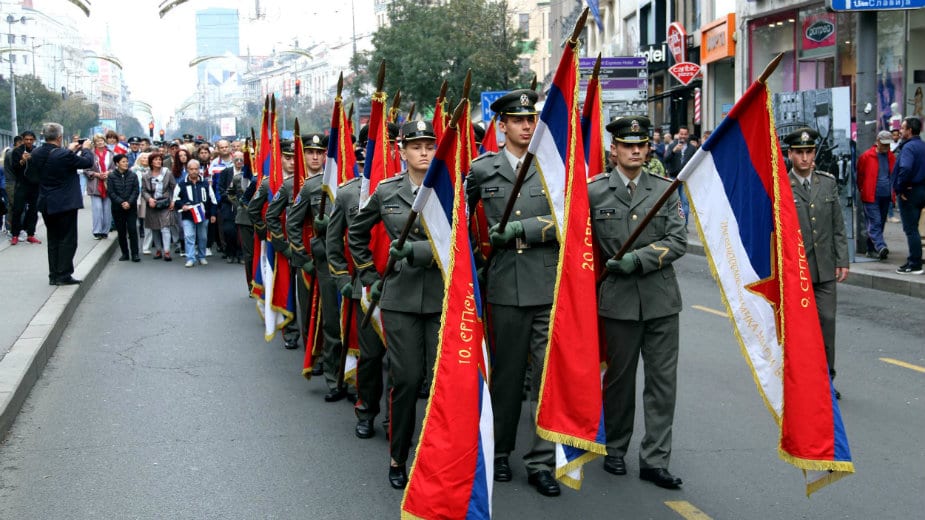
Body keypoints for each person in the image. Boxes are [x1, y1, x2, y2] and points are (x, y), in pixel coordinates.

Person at [465, 89, 560, 498]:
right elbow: (458, 221)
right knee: (505, 378)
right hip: (503, 283)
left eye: (531, 119)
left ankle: (540, 461)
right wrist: (472, 266)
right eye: (518, 120)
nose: (527, 125)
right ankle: (501, 449)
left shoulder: (550, 168)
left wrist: (525, 229)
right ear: (500, 125)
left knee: (543, 377)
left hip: (544, 282)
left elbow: (569, 221)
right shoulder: (482, 170)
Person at [588, 116, 687, 489]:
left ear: (647, 149)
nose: (635, 150)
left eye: (641, 145)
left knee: (662, 384)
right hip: (617, 302)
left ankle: (655, 459)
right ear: (613, 149)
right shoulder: (594, 191)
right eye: (627, 145)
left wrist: (638, 259)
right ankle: (615, 449)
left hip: (661, 301)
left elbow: (678, 240)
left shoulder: (665, 189)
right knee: (619, 381)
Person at [349, 120, 443, 490]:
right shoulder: (387, 191)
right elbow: (357, 232)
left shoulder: (448, 191)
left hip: (440, 298)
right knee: (405, 380)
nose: (423, 152)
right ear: (401, 151)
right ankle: (398, 456)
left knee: (438, 382)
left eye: (429, 145)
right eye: (416, 146)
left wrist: (417, 250)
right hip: (400, 298)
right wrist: (369, 274)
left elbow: (457, 241)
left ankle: (435, 456)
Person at [785, 127, 849, 398]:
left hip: (824, 267)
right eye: (799, 152)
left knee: (827, 321)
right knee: (799, 328)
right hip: (795, 270)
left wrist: (842, 259)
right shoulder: (782, 187)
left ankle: (826, 378)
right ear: (790, 155)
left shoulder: (828, 182)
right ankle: (800, 378)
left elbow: (837, 224)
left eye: (809, 152)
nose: (804, 158)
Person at [326, 171, 388, 438]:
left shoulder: (413, 186)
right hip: (365, 287)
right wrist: (341, 279)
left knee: (402, 365)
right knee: (370, 357)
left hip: (401, 286)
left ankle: (395, 422)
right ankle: (366, 412)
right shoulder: (349, 192)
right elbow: (334, 240)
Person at [287, 133, 348, 400]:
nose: (315, 156)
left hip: (354, 263)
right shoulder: (311, 187)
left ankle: (353, 376)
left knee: (356, 325)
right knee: (332, 323)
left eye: (320, 152)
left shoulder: (349, 185)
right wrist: (304, 259)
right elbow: (293, 224)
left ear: (327, 155)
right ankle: (335, 380)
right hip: (325, 264)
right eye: (310, 152)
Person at [247, 139, 301, 350]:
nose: (291, 162)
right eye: (287, 158)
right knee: (284, 287)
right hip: (280, 244)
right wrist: (267, 235)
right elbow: (253, 210)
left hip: (302, 244)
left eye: (294, 158)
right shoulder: (270, 182)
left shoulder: (305, 181)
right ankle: (291, 330)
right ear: (280, 159)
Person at [33, 123, 94, 285]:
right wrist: (86, 148)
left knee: (53, 240)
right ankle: (64, 274)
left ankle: (53, 275)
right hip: (65, 203)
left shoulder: (36, 152)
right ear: (60, 137)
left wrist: (69, 151)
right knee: (67, 239)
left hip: (46, 201)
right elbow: (87, 162)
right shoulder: (63, 154)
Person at [892, 116, 925, 275]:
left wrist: (900, 189)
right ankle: (914, 260)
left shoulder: (909, 147)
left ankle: (915, 263)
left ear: (910, 131)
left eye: (903, 128)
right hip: (921, 190)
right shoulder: (922, 146)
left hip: (910, 192)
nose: (901, 131)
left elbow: (905, 168)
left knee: (911, 229)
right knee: (914, 229)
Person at [856, 130, 896, 259]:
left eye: (888, 145)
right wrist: (863, 189)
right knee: (875, 221)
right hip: (871, 195)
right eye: (884, 144)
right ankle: (880, 246)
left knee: (879, 223)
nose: (886, 147)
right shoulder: (867, 156)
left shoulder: (891, 156)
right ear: (877, 142)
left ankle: (871, 249)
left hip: (885, 195)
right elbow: (860, 176)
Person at [223, 148, 256, 288]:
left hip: (263, 218)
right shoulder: (239, 178)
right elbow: (230, 192)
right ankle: (251, 284)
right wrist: (239, 205)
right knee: (249, 254)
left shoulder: (267, 177)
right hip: (245, 218)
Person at [176, 159, 217, 267]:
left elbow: (213, 200)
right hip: (188, 215)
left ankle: (202, 256)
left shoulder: (205, 183)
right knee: (189, 236)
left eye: (196, 169)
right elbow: (175, 199)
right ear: (187, 170)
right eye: (191, 169)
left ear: (199, 170)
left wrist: (213, 214)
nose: (194, 171)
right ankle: (190, 258)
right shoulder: (181, 184)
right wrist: (182, 205)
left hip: (203, 215)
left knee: (202, 237)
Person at [141, 152, 176, 261]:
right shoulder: (146, 175)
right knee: (155, 228)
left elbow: (174, 187)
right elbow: (143, 190)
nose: (158, 161)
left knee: (165, 228)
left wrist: (173, 201)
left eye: (160, 160)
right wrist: (149, 199)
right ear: (151, 162)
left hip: (164, 203)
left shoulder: (167, 173)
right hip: (152, 204)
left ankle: (167, 251)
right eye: (156, 160)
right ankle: (158, 250)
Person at [106, 154, 141, 262]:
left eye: (126, 161)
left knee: (132, 230)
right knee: (121, 231)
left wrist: (129, 202)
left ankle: (135, 253)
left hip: (131, 207)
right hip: (117, 208)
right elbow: (111, 192)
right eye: (123, 162)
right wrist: (121, 202)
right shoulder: (111, 176)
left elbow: (136, 191)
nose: (126, 163)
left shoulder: (132, 175)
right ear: (117, 164)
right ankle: (124, 253)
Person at [9, 131, 41, 244]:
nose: (28, 141)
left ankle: (31, 233)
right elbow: (14, 167)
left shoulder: (37, 151)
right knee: (17, 210)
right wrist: (22, 160)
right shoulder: (17, 151)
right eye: (26, 139)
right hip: (21, 184)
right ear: (23, 139)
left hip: (34, 185)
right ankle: (15, 234)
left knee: (33, 210)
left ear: (34, 140)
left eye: (31, 139)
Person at [217, 151, 246, 263]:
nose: (239, 162)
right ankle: (230, 252)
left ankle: (241, 254)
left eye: (241, 160)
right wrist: (231, 199)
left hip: (243, 206)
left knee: (242, 233)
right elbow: (221, 189)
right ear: (232, 160)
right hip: (229, 206)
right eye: (236, 160)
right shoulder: (226, 172)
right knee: (229, 230)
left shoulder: (247, 172)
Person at [663, 126, 696, 224]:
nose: (683, 136)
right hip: (674, 178)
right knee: (674, 202)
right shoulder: (672, 145)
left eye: (685, 134)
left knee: (685, 203)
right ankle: (674, 223)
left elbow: (695, 162)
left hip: (686, 179)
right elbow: (666, 160)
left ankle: (683, 225)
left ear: (688, 135)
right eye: (681, 134)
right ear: (678, 134)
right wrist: (673, 151)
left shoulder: (692, 148)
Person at [85, 134, 113, 240]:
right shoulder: (90, 155)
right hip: (95, 183)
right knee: (97, 208)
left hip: (107, 183)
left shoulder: (111, 154)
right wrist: (96, 174)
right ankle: (97, 231)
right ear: (94, 143)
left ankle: (105, 231)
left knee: (107, 209)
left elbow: (115, 168)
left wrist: (108, 173)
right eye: (98, 141)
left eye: (102, 140)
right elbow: (86, 169)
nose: (100, 143)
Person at [3, 135, 22, 233]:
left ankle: (10, 227)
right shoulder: (12, 153)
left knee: (12, 205)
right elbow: (16, 168)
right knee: (15, 205)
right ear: (17, 143)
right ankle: (13, 228)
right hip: (11, 183)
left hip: (13, 182)